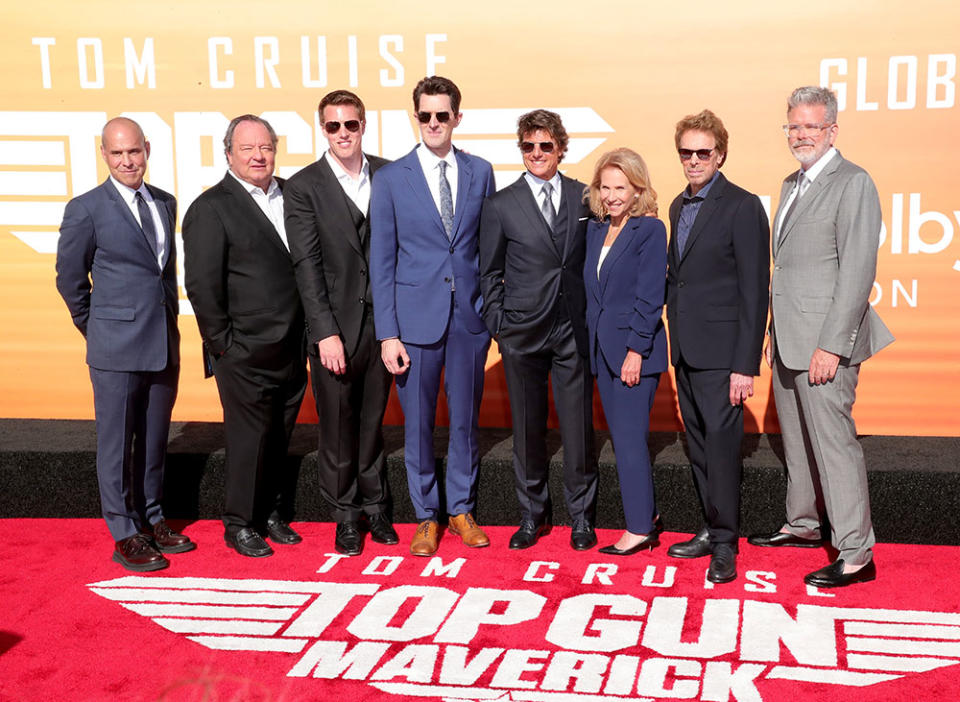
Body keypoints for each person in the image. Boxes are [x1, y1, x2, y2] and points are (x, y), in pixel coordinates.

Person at [749, 86, 894, 588]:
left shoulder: (853, 182)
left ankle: (856, 553)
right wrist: (772, 329)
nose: (801, 134)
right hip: (789, 338)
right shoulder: (792, 183)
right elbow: (786, 267)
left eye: (812, 126)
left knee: (834, 446)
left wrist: (832, 344)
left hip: (825, 345)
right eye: (794, 126)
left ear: (832, 129)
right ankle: (804, 524)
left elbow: (857, 270)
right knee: (798, 442)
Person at [56, 116, 193, 571]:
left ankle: (152, 518)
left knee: (154, 440)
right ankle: (124, 531)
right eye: (117, 153)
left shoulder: (165, 202)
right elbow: (71, 280)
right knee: (116, 445)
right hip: (114, 346)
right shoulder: (86, 208)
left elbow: (163, 274)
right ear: (104, 155)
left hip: (161, 342)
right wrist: (94, 328)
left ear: (147, 149)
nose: (127, 160)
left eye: (134, 151)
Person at [370, 76, 496, 556]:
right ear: (415, 117)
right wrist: (388, 334)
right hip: (413, 323)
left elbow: (488, 249)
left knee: (464, 421)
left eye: (443, 115)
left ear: (457, 118)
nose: (434, 123)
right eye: (426, 115)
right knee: (418, 424)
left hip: (468, 320)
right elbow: (382, 261)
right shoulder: (391, 178)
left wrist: (490, 313)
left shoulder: (481, 171)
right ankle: (426, 516)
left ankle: (461, 510)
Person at [183, 114, 307, 559]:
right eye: (248, 148)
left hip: (294, 346)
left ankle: (270, 514)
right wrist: (224, 347)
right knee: (248, 440)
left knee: (279, 437)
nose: (259, 155)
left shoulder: (294, 193)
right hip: (244, 352)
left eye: (266, 147)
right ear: (229, 154)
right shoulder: (211, 207)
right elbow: (201, 284)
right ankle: (239, 523)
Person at [479, 109, 598, 551]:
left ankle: (582, 517)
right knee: (527, 430)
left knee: (577, 429)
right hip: (522, 333)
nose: (536, 153)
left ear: (561, 148)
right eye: (528, 146)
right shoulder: (501, 204)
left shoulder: (584, 196)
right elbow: (488, 272)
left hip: (573, 328)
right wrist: (500, 325)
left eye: (545, 145)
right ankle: (531, 516)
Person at [284, 90, 396, 557]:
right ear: (322, 129)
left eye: (351, 124)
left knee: (373, 424)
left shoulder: (390, 174)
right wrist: (324, 331)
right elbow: (306, 268)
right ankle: (346, 516)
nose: (343, 133)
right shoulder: (304, 186)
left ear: (363, 125)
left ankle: (375, 507)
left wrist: (395, 325)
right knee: (336, 427)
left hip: (384, 324)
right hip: (335, 329)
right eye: (334, 126)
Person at [665, 110, 770, 583]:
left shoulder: (743, 206)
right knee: (700, 449)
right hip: (686, 351)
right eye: (685, 152)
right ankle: (709, 528)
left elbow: (755, 290)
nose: (693, 160)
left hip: (725, 357)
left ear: (720, 154)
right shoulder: (675, 205)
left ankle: (725, 543)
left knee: (724, 451)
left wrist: (744, 364)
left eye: (702, 152)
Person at [582, 148, 668, 555]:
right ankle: (645, 514)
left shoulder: (650, 231)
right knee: (622, 439)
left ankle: (637, 529)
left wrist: (636, 350)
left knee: (630, 442)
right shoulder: (597, 230)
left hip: (635, 353)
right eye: (606, 186)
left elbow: (650, 297)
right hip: (603, 353)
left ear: (638, 190)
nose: (613, 195)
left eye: (622, 187)